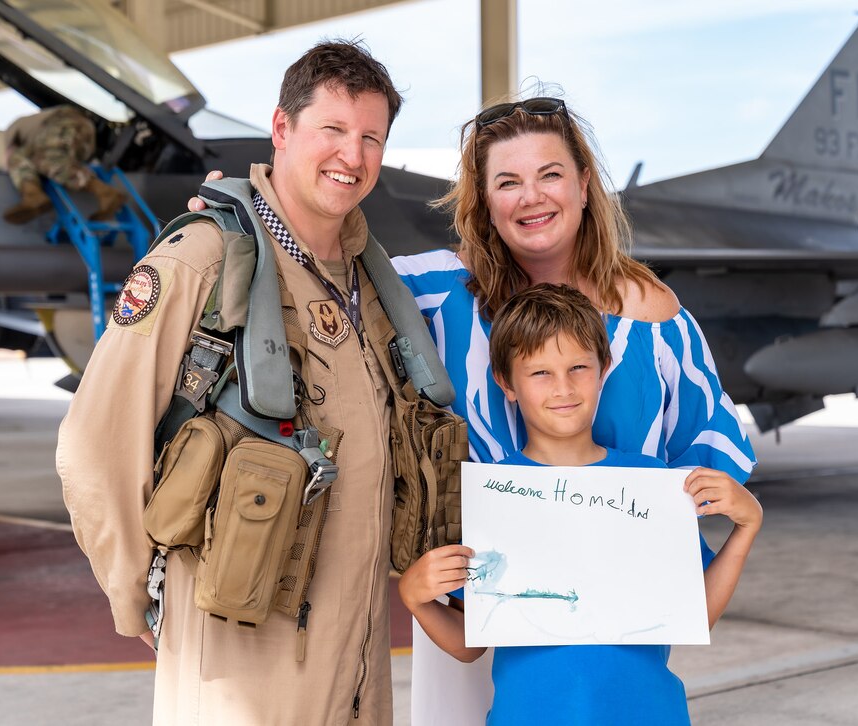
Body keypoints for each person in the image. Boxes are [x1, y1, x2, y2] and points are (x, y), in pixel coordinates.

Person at [191, 94, 757, 721]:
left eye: (550, 175)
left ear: (584, 182)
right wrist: (243, 218)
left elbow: (703, 451)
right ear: (484, 201)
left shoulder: (654, 314)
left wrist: (690, 527)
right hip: (474, 592)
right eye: (507, 182)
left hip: (619, 633)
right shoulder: (432, 293)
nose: (531, 197)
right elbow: (318, 273)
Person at [58, 41, 409, 724]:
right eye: (332, 131)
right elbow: (94, 443)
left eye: (372, 137)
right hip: (240, 658)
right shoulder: (202, 260)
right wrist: (134, 591)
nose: (354, 156)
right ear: (282, 130)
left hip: (358, 658)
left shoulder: (369, 281)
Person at [398, 283, 762, 725]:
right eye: (540, 373)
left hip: (649, 715)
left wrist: (746, 527)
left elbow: (696, 617)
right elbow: (469, 643)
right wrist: (415, 598)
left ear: (603, 369)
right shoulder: (491, 496)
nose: (563, 388)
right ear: (506, 383)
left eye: (578, 367)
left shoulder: (650, 482)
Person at [3, 105, 126, 224]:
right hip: (84, 131)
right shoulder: (30, 127)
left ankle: (105, 192)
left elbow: (13, 157)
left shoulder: (13, 133)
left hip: (62, 123)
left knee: (36, 160)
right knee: (54, 161)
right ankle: (33, 195)